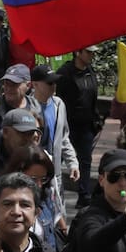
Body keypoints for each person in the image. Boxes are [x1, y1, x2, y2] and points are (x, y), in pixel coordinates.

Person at [56, 45, 103, 208]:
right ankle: (53, 191)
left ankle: (83, 196)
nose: (91, 56)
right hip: (67, 125)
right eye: (88, 52)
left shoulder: (90, 72)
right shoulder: (65, 73)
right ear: (78, 52)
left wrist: (96, 120)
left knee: (85, 160)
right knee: (59, 157)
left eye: (92, 53)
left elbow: (92, 97)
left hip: (86, 125)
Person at [30, 63, 79, 196]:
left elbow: (64, 138)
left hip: (55, 172)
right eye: (49, 83)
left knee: (59, 213)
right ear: (35, 85)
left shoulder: (58, 104)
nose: (54, 86)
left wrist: (72, 163)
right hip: (34, 175)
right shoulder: (26, 108)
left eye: (55, 82)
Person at [0, 64, 41, 141]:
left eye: (14, 84)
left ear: (28, 85)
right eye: (6, 83)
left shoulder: (36, 108)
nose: (9, 88)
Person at [0, 107, 41, 177]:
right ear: (5, 132)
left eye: (30, 133)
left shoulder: (36, 159)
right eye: (23, 133)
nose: (27, 139)